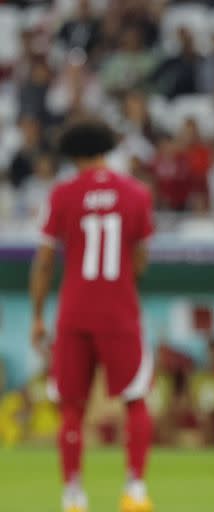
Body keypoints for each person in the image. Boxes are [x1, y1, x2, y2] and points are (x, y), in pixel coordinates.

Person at [29, 117, 155, 512]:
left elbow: (46, 260)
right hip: (119, 312)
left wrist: (37, 315)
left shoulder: (63, 194)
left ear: (72, 154)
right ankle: (134, 489)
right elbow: (141, 258)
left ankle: (73, 496)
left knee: (71, 407)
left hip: (75, 312)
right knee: (135, 400)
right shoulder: (136, 193)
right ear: (106, 150)